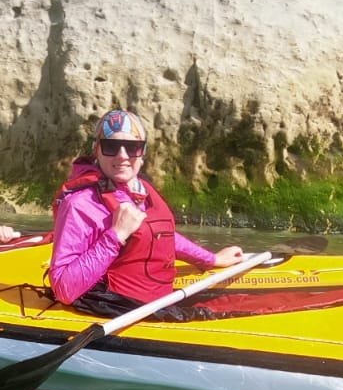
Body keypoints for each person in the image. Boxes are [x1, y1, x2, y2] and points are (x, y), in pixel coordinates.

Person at [48, 108, 246, 318]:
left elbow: (160, 236)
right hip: (113, 308)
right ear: (97, 150)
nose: (122, 156)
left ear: (142, 153)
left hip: (153, 303)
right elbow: (63, 289)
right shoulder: (79, 205)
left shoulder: (141, 190)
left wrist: (210, 259)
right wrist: (116, 235)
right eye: (111, 146)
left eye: (132, 147)